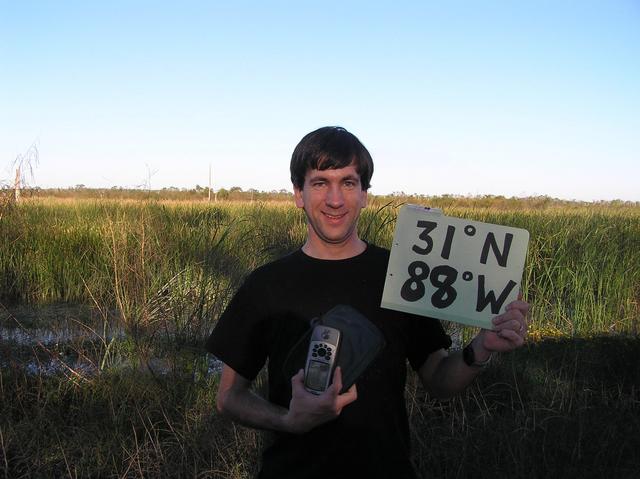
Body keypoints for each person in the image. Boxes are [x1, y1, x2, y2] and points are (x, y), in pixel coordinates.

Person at [206, 126, 529, 479]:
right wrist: (289, 420)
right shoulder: (265, 285)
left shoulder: (403, 275)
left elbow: (439, 380)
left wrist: (480, 348)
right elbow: (229, 397)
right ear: (298, 193)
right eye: (320, 183)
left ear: (364, 195)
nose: (335, 199)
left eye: (348, 183)